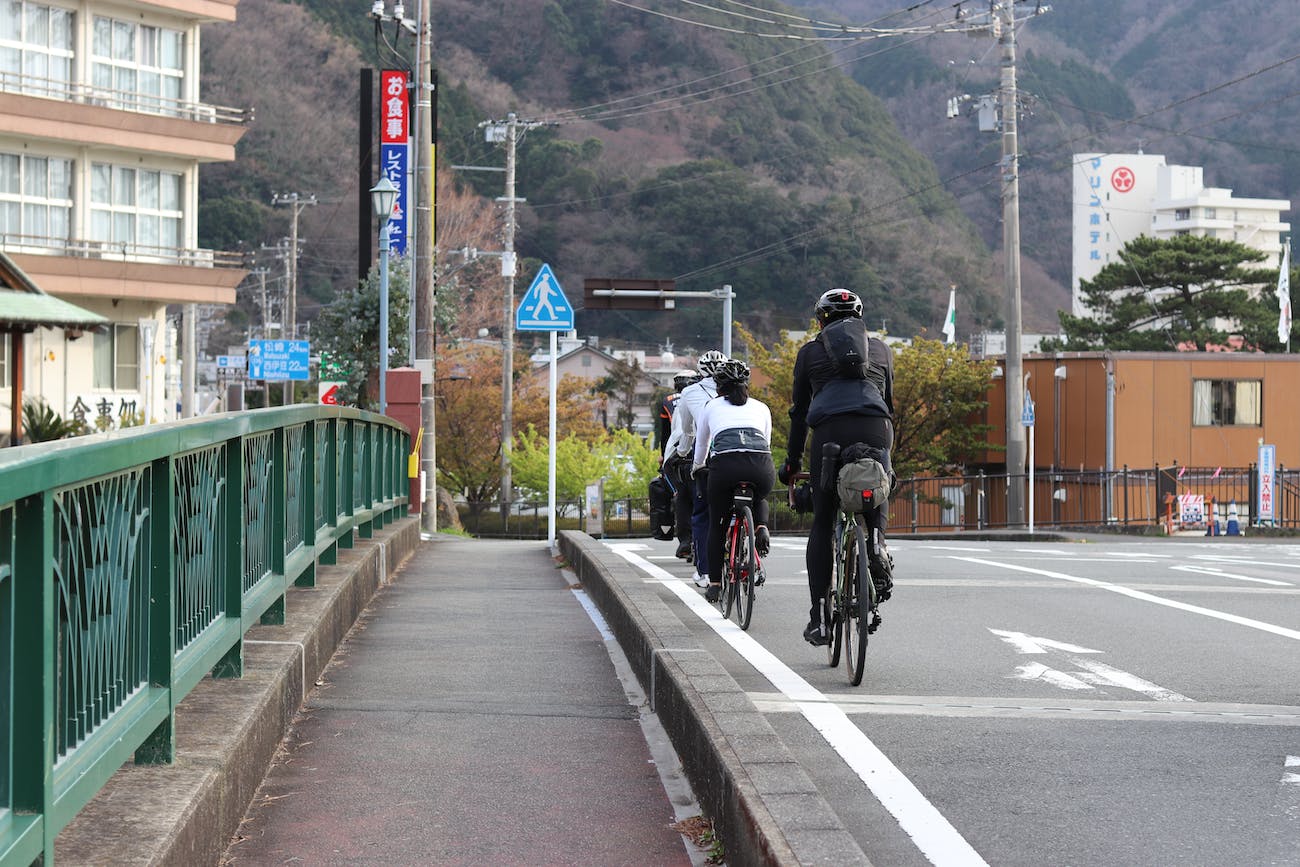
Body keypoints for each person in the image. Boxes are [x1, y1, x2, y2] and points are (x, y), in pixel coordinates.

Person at [778, 288, 895, 646]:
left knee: (824, 520)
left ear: (820, 322)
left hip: (829, 433)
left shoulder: (810, 352)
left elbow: (799, 414)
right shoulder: (881, 350)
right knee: (876, 490)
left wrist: (793, 462)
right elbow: (888, 403)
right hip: (876, 428)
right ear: (861, 319)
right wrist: (888, 462)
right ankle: (876, 541)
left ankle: (819, 618)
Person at [693, 359, 774, 603]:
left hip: (725, 467)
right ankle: (760, 526)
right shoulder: (762, 407)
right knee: (758, 495)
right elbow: (766, 443)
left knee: (717, 525)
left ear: (719, 386)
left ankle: (716, 584)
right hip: (761, 465)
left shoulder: (711, 406)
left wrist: (697, 467)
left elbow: (702, 444)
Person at [663, 350, 727, 588]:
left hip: (707, 459)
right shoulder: (743, 396)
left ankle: (704, 570)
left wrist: (682, 455)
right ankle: (753, 540)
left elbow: (690, 434)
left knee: (701, 511)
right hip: (754, 458)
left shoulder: (688, 395)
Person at [657, 370, 699, 560]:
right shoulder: (703, 395)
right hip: (701, 448)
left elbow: (665, 434)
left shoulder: (667, 401)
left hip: (677, 449)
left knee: (680, 494)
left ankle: (684, 541)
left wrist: (662, 457)